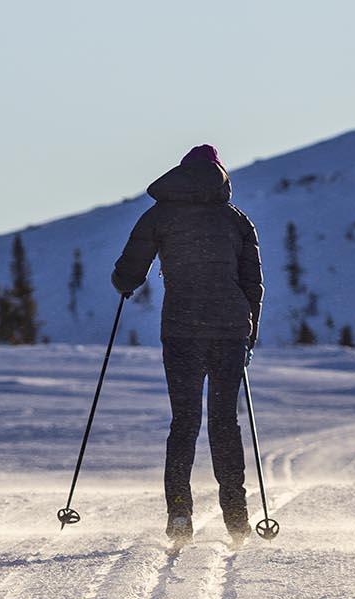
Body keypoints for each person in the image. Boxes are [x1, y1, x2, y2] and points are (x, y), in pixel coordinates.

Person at [111, 145, 264, 547]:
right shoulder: (236, 221)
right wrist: (250, 332)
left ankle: (180, 514)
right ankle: (237, 519)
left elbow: (130, 271)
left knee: (184, 423)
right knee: (224, 424)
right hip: (229, 330)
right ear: (220, 176)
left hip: (181, 330)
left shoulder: (161, 215)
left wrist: (123, 283)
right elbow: (252, 284)